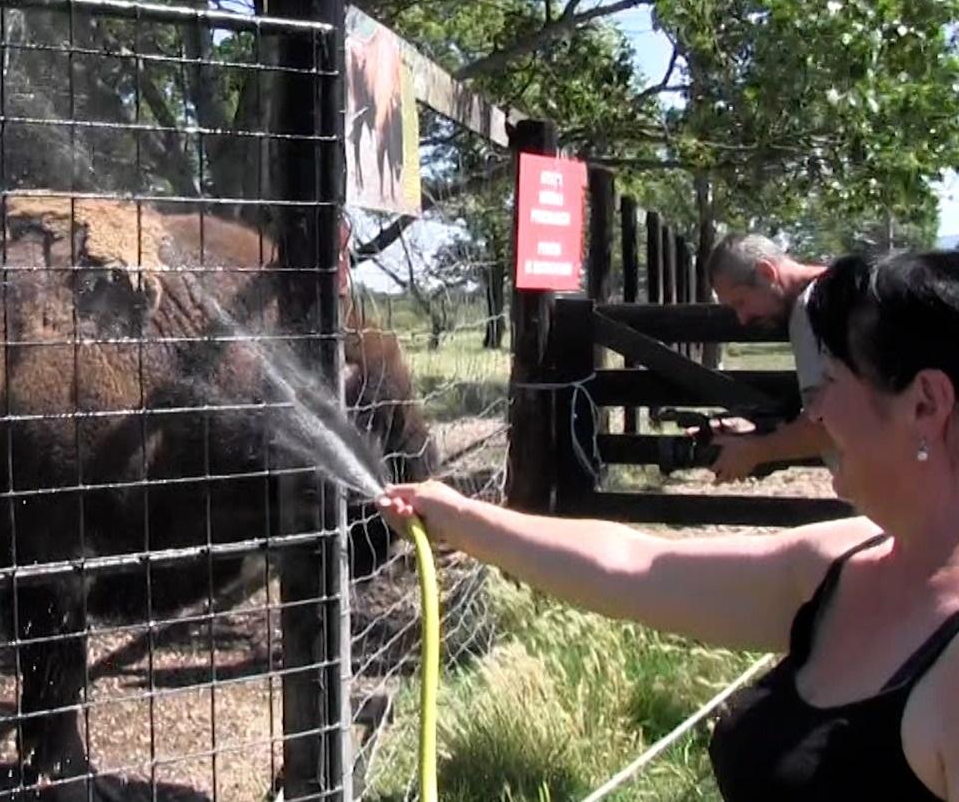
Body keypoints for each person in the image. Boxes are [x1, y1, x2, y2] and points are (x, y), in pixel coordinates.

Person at [379, 248, 959, 800]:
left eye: (832, 383)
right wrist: (459, 518)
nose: (817, 413)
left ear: (926, 404)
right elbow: (637, 565)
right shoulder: (849, 560)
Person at [703, 233, 835, 482]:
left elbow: (835, 422)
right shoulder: (837, 294)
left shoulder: (813, 307)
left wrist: (755, 451)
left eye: (741, 301)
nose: (742, 319)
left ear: (766, 273)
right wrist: (759, 432)